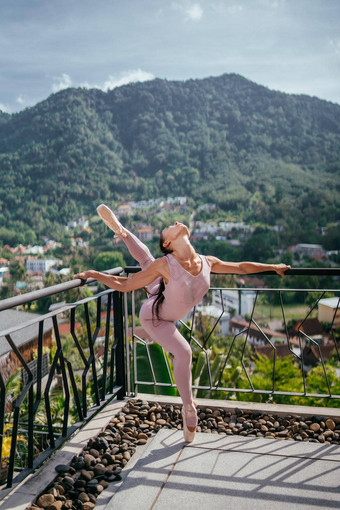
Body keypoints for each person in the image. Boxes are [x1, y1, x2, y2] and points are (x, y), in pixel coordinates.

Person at [74, 204, 290, 442]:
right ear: (167, 243)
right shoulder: (166, 263)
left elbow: (240, 267)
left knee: (147, 260)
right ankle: (188, 407)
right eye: (170, 227)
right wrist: (94, 274)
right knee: (184, 352)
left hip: (164, 294)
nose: (176, 222)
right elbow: (125, 285)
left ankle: (122, 231)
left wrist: (273, 267)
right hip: (155, 316)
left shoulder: (207, 262)